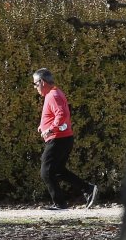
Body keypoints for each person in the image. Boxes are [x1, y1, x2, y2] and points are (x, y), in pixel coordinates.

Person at [33, 68, 97, 209]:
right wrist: (42, 126)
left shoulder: (53, 95)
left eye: (36, 84)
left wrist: (50, 129)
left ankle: (60, 204)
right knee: (58, 170)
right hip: (64, 138)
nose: (35, 87)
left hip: (58, 138)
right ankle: (88, 189)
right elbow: (56, 114)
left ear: (42, 82)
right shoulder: (54, 93)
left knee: (46, 172)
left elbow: (61, 115)